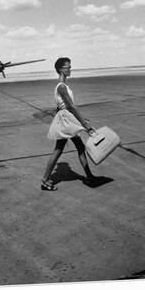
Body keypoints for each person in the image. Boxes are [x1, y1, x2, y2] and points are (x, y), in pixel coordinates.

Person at [41, 57, 97, 191]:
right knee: (60, 149)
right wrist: (83, 123)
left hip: (67, 119)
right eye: (68, 67)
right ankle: (45, 180)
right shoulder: (61, 87)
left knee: (77, 147)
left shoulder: (62, 86)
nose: (70, 69)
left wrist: (78, 120)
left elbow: (62, 107)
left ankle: (89, 177)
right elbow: (71, 106)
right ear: (61, 69)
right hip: (67, 121)